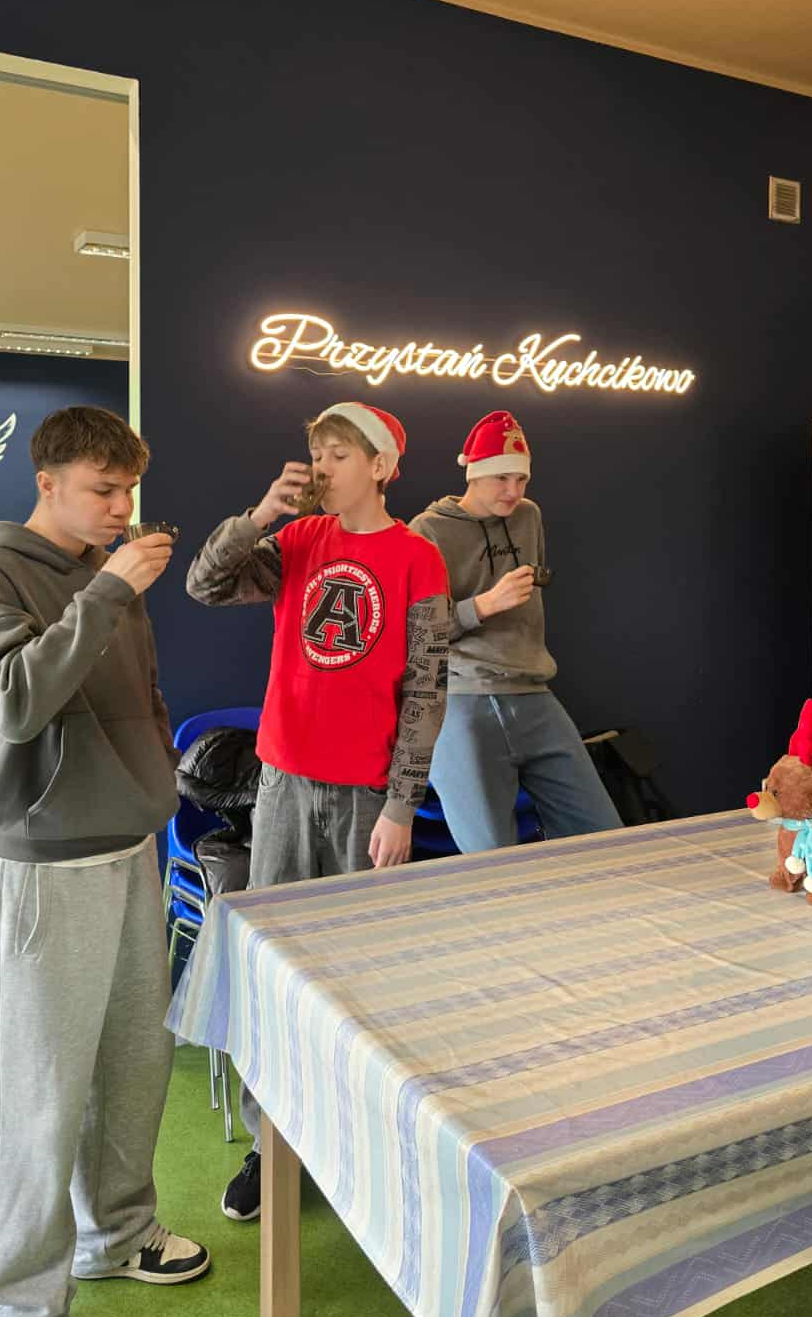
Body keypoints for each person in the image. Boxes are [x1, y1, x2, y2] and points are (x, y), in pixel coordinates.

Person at [0, 406, 210, 1317]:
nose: (121, 507)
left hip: (128, 844)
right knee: (33, 1092)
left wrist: (156, 773)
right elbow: (14, 703)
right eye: (102, 489)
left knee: (132, 1064)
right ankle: (19, 1300)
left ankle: (117, 1236)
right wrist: (109, 593)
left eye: (128, 488)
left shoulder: (105, 570)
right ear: (46, 482)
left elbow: (142, 694)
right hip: (40, 866)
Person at [179, 400, 449, 1222]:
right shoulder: (297, 540)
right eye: (318, 453)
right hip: (284, 785)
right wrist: (259, 515)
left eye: (340, 454)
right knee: (278, 974)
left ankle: (355, 1138)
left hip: (366, 798)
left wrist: (401, 805)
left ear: (382, 466)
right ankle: (273, 1146)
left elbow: (426, 690)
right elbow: (203, 584)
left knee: (363, 977)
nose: (323, 467)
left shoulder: (418, 558)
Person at [409, 409, 622, 851]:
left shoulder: (528, 516)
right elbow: (414, 634)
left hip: (533, 693)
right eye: (501, 478)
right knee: (490, 860)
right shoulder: (427, 531)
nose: (514, 491)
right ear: (473, 473)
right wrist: (485, 605)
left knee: (604, 839)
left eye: (521, 479)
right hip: (461, 702)